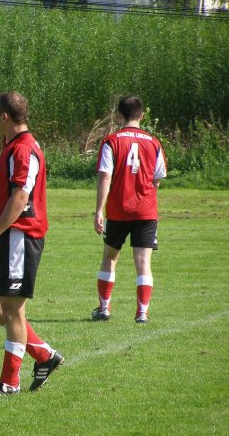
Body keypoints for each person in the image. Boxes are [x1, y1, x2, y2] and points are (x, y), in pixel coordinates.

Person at [0, 91, 63, 396]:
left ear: (4, 116)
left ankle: (10, 382)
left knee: (12, 309)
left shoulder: (23, 150)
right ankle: (44, 355)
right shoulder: (11, 145)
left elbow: (21, 197)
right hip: (8, 236)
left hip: (19, 235)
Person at [92, 95, 167, 324]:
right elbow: (157, 179)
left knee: (110, 256)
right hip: (146, 210)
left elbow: (105, 176)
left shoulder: (111, 141)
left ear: (119, 116)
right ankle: (142, 313)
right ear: (142, 115)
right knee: (143, 262)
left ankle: (104, 309)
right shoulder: (153, 142)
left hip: (118, 209)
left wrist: (99, 210)